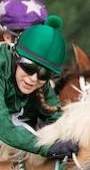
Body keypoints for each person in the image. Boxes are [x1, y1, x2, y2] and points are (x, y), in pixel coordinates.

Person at [0, 15, 78, 159]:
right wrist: (46, 147)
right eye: (29, 68)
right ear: (16, 57)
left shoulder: (42, 85)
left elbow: (57, 118)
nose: (33, 79)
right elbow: (3, 126)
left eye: (44, 74)